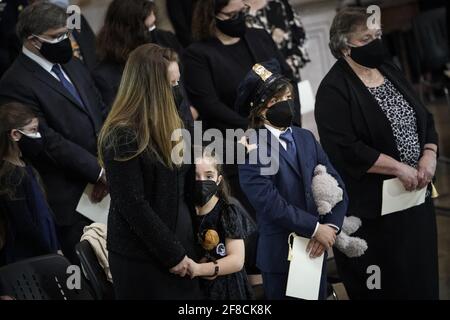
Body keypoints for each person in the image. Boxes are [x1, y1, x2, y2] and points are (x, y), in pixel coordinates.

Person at [314, 7, 439, 299]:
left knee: (423, 278)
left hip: (416, 199)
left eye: (378, 35)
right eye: (367, 38)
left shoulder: (389, 69)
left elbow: (424, 117)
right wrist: (399, 168)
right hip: (375, 212)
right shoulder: (333, 90)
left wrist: (429, 153)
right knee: (389, 285)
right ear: (345, 46)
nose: (377, 43)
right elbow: (346, 149)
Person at [0, 2, 107, 264]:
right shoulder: (14, 83)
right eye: (57, 36)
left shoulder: (70, 63)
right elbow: (47, 142)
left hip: (107, 182)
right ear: (33, 41)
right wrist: (97, 171)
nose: (65, 41)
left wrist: (110, 161)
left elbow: (100, 110)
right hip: (70, 198)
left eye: (67, 34)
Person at [98, 43, 202, 300]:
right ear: (152, 89)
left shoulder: (176, 117)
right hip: (144, 254)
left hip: (182, 237)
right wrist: (172, 253)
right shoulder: (122, 133)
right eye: (171, 84)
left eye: (178, 83)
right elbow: (132, 203)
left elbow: (186, 178)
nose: (177, 91)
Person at [237, 61, 348, 299]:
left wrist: (331, 226)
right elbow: (269, 202)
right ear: (259, 109)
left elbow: (335, 183)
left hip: (316, 248)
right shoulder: (250, 146)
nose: (286, 103)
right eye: (276, 101)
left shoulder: (305, 137)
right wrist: (315, 228)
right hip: (282, 253)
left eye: (288, 96)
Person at [183, 0, 299, 220]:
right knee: (261, 224)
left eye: (242, 11)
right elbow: (209, 105)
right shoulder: (198, 54)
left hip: (281, 138)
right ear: (212, 16)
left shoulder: (259, 37)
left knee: (295, 212)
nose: (239, 18)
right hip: (239, 148)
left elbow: (287, 79)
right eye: (231, 15)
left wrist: (290, 120)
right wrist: (256, 127)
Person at [186, 150, 254, 300]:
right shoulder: (185, 212)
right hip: (195, 290)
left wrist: (200, 269)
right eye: (195, 176)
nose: (202, 181)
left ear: (218, 179)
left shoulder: (227, 211)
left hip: (228, 290)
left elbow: (236, 260)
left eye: (209, 176)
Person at [94, 0, 184, 111]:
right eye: (148, 29)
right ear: (129, 32)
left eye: (154, 25)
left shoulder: (164, 41)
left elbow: (183, 92)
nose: (154, 34)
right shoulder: (106, 77)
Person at [0, 102, 59, 267]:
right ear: (15, 134)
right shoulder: (10, 176)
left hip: (46, 250)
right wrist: (50, 253)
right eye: (33, 130)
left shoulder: (25, 165)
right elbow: (25, 226)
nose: (38, 135)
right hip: (31, 258)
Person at [0, 0, 97, 76]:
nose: (63, 39)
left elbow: (95, 52)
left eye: (66, 33)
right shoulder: (23, 34)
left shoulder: (76, 19)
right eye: (55, 36)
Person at [246, 0, 311, 82]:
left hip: (289, 80)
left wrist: (291, 63)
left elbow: (301, 40)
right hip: (260, 83)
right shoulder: (238, 13)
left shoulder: (279, 3)